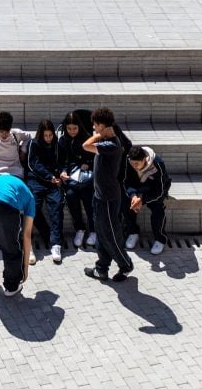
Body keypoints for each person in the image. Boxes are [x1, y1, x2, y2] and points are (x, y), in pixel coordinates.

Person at [82, 107, 134, 283]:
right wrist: (101, 133)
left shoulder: (112, 144)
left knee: (111, 235)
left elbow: (85, 145)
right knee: (101, 234)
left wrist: (98, 135)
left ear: (103, 126)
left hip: (108, 198)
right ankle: (101, 268)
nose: (94, 129)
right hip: (99, 196)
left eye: (96, 125)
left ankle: (125, 264)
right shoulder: (107, 141)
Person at [26, 119, 65, 264]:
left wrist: (60, 174)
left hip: (53, 181)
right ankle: (47, 234)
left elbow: (61, 162)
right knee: (33, 208)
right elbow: (33, 164)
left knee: (56, 207)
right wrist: (49, 177)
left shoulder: (57, 145)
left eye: (50, 135)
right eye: (46, 135)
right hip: (36, 180)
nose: (48, 138)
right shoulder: (33, 144)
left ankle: (56, 244)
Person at [58, 110, 97, 249]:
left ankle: (93, 230)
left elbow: (96, 157)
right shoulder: (63, 140)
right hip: (72, 178)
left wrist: (88, 163)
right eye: (69, 128)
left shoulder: (87, 138)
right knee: (70, 196)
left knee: (89, 199)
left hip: (86, 178)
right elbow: (62, 160)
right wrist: (62, 171)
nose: (72, 131)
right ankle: (79, 229)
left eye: (75, 128)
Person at [124, 145, 172, 256]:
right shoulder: (129, 161)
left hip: (155, 188)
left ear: (144, 160)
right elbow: (128, 182)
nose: (134, 166)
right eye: (132, 163)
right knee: (125, 202)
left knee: (157, 208)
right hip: (139, 185)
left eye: (137, 164)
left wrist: (143, 200)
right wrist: (133, 196)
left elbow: (159, 190)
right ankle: (132, 232)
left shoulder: (158, 163)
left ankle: (160, 239)